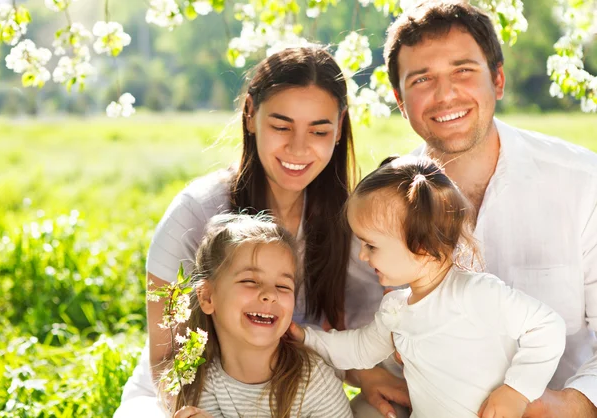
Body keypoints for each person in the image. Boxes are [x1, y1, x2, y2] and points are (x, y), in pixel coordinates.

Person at [352, 2, 597, 417]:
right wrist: (368, 376)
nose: (445, 94)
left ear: (497, 80)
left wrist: (572, 403)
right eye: (422, 79)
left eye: (463, 71)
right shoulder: (380, 202)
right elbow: (355, 326)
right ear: (399, 99)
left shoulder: (583, 182)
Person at [113, 46, 384, 418]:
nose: (299, 147)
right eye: (281, 126)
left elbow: (353, 337)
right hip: (188, 393)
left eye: (319, 130)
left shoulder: (350, 221)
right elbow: (166, 358)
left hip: (289, 396)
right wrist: (189, 410)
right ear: (251, 115)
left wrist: (367, 376)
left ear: (339, 129)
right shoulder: (195, 212)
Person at [291, 155, 566, 418]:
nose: (362, 256)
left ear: (420, 245)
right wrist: (306, 338)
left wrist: (516, 392)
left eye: (371, 245)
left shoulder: (475, 293)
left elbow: (546, 327)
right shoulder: (396, 310)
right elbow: (359, 348)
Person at [163, 213, 353, 417]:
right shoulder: (199, 380)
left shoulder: (313, 381)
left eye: (282, 285)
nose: (270, 295)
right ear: (208, 297)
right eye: (250, 281)